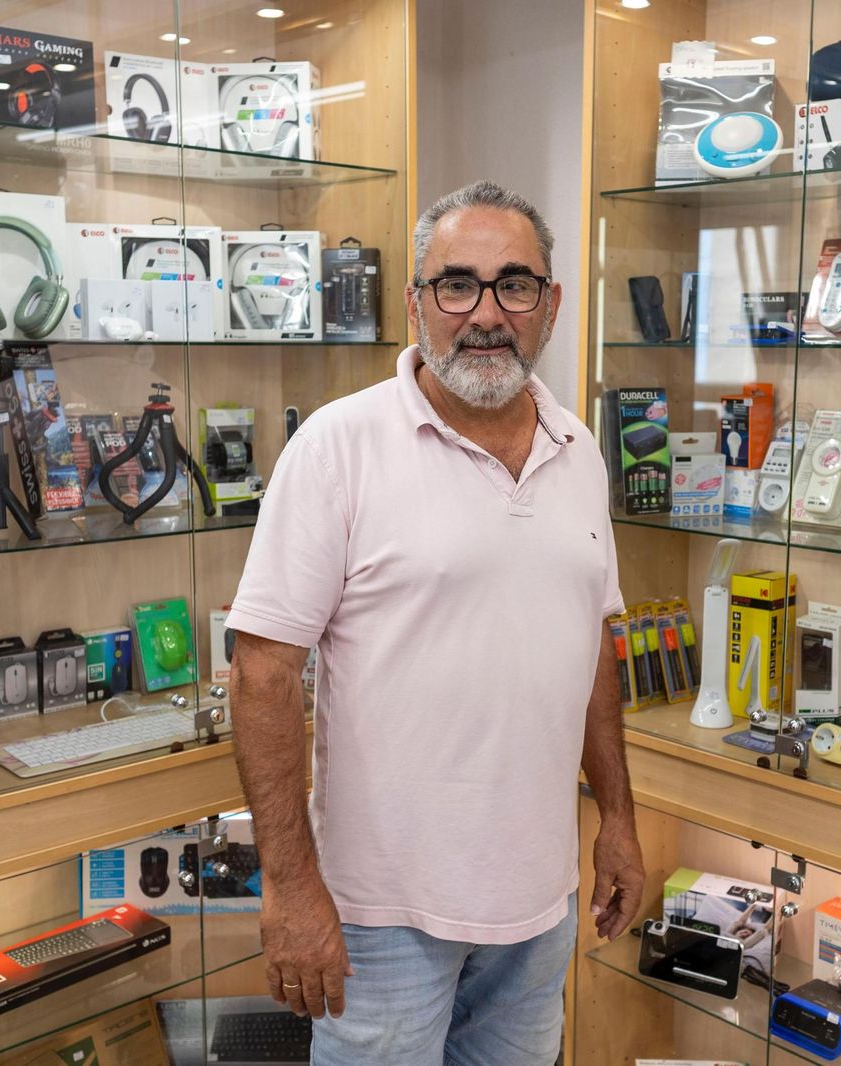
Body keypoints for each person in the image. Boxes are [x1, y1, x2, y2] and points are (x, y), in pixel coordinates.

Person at [226, 180, 644, 1065]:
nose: (486, 313)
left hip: (539, 910)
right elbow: (262, 675)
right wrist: (292, 889)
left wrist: (618, 818)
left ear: (552, 305)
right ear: (418, 303)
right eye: (457, 284)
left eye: (515, 284)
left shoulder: (579, 453)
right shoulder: (338, 449)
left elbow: (592, 646)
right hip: (380, 920)